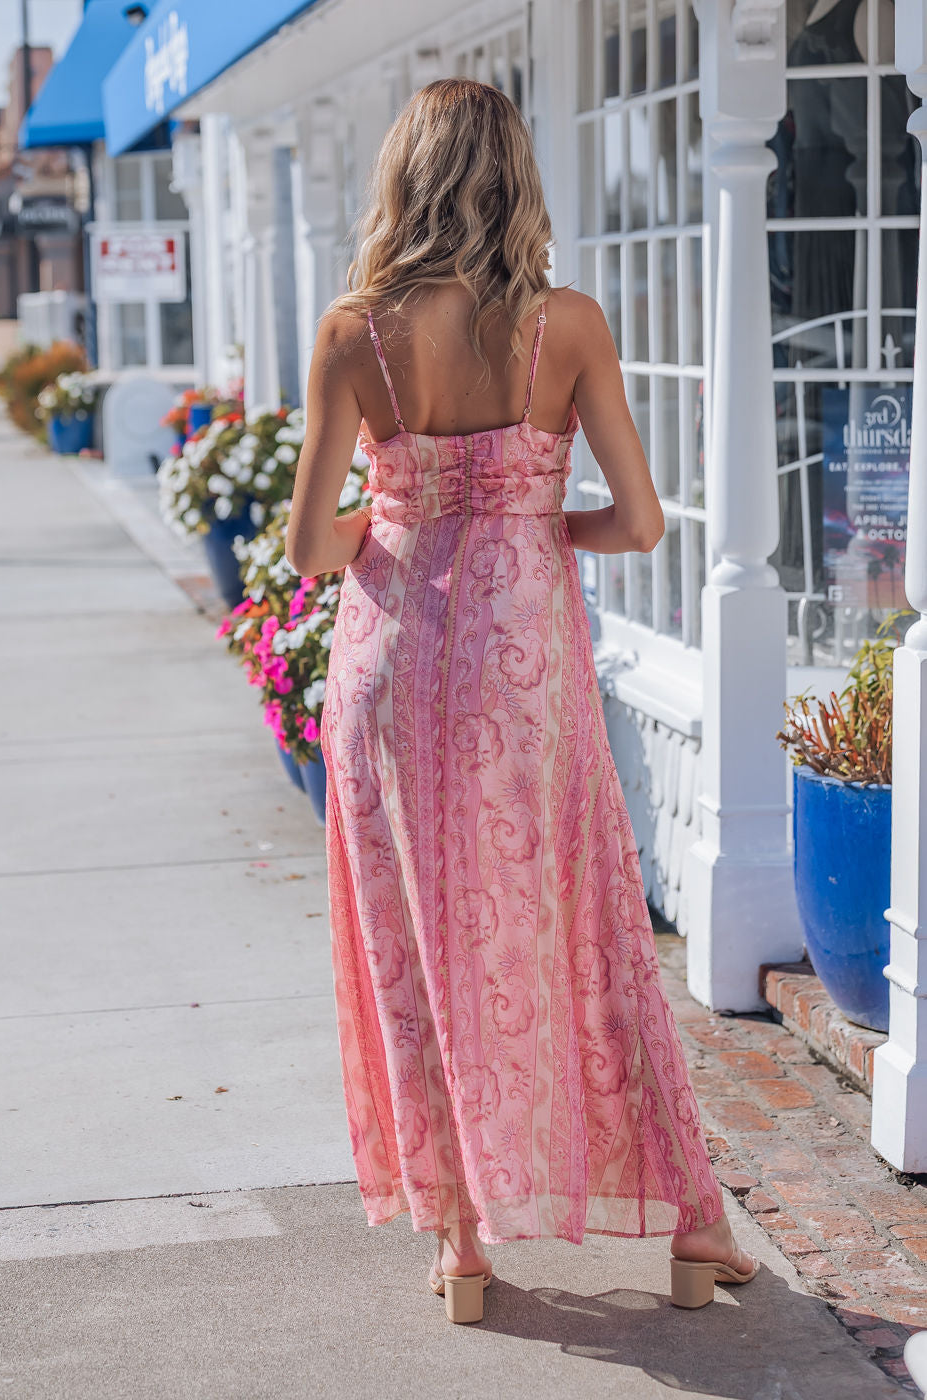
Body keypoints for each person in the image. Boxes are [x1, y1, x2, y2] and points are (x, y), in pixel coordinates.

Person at [286, 77, 758, 1326]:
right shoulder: (571, 326)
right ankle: (692, 1231)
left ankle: (458, 1243)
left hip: (392, 659)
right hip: (521, 662)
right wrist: (530, 514)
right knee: (578, 927)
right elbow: (643, 521)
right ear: (515, 178)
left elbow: (309, 549)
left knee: (417, 942)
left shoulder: (355, 335)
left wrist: (404, 508)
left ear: (405, 176)